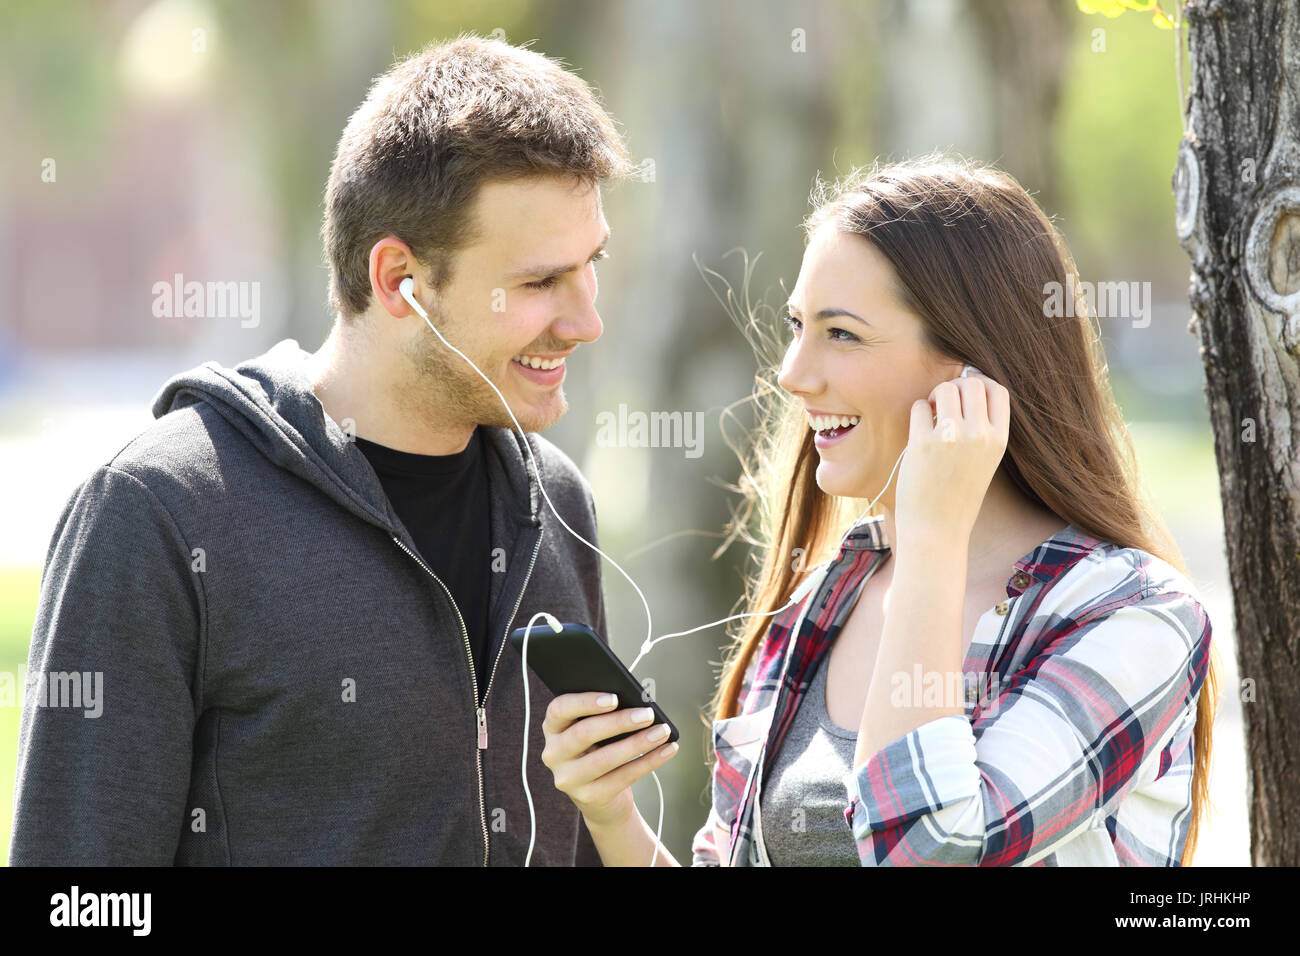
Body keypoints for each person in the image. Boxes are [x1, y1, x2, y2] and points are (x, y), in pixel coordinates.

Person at [9, 34, 634, 866]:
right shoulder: (158, 512)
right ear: (397, 280)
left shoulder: (555, 504)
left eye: (590, 266)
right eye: (539, 282)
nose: (585, 319)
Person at [541, 156, 1220, 866]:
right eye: (796, 326)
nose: (792, 374)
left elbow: (926, 848)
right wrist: (612, 814)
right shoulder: (822, 602)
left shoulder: (1132, 617)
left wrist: (932, 543)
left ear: (972, 376)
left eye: (842, 334)